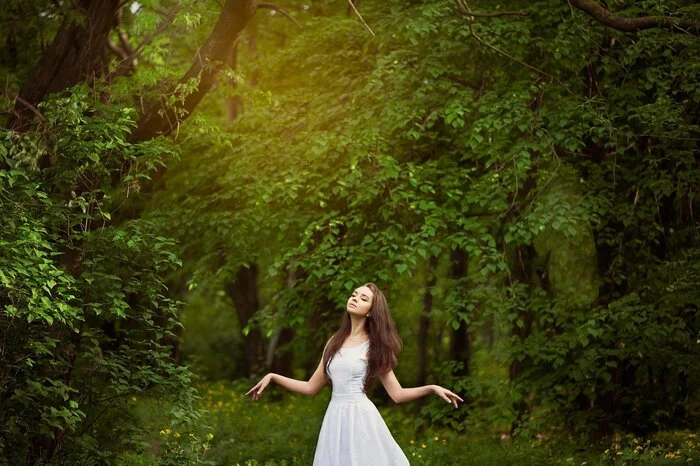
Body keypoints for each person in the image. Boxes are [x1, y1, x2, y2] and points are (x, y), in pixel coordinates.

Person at [245, 282, 464, 465]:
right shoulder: (334, 342)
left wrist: (432, 388)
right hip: (334, 418)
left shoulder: (375, 347)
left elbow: (397, 394)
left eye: (363, 298)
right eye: (354, 294)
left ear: (370, 310)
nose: (355, 298)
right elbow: (311, 387)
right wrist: (273, 376)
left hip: (360, 419)